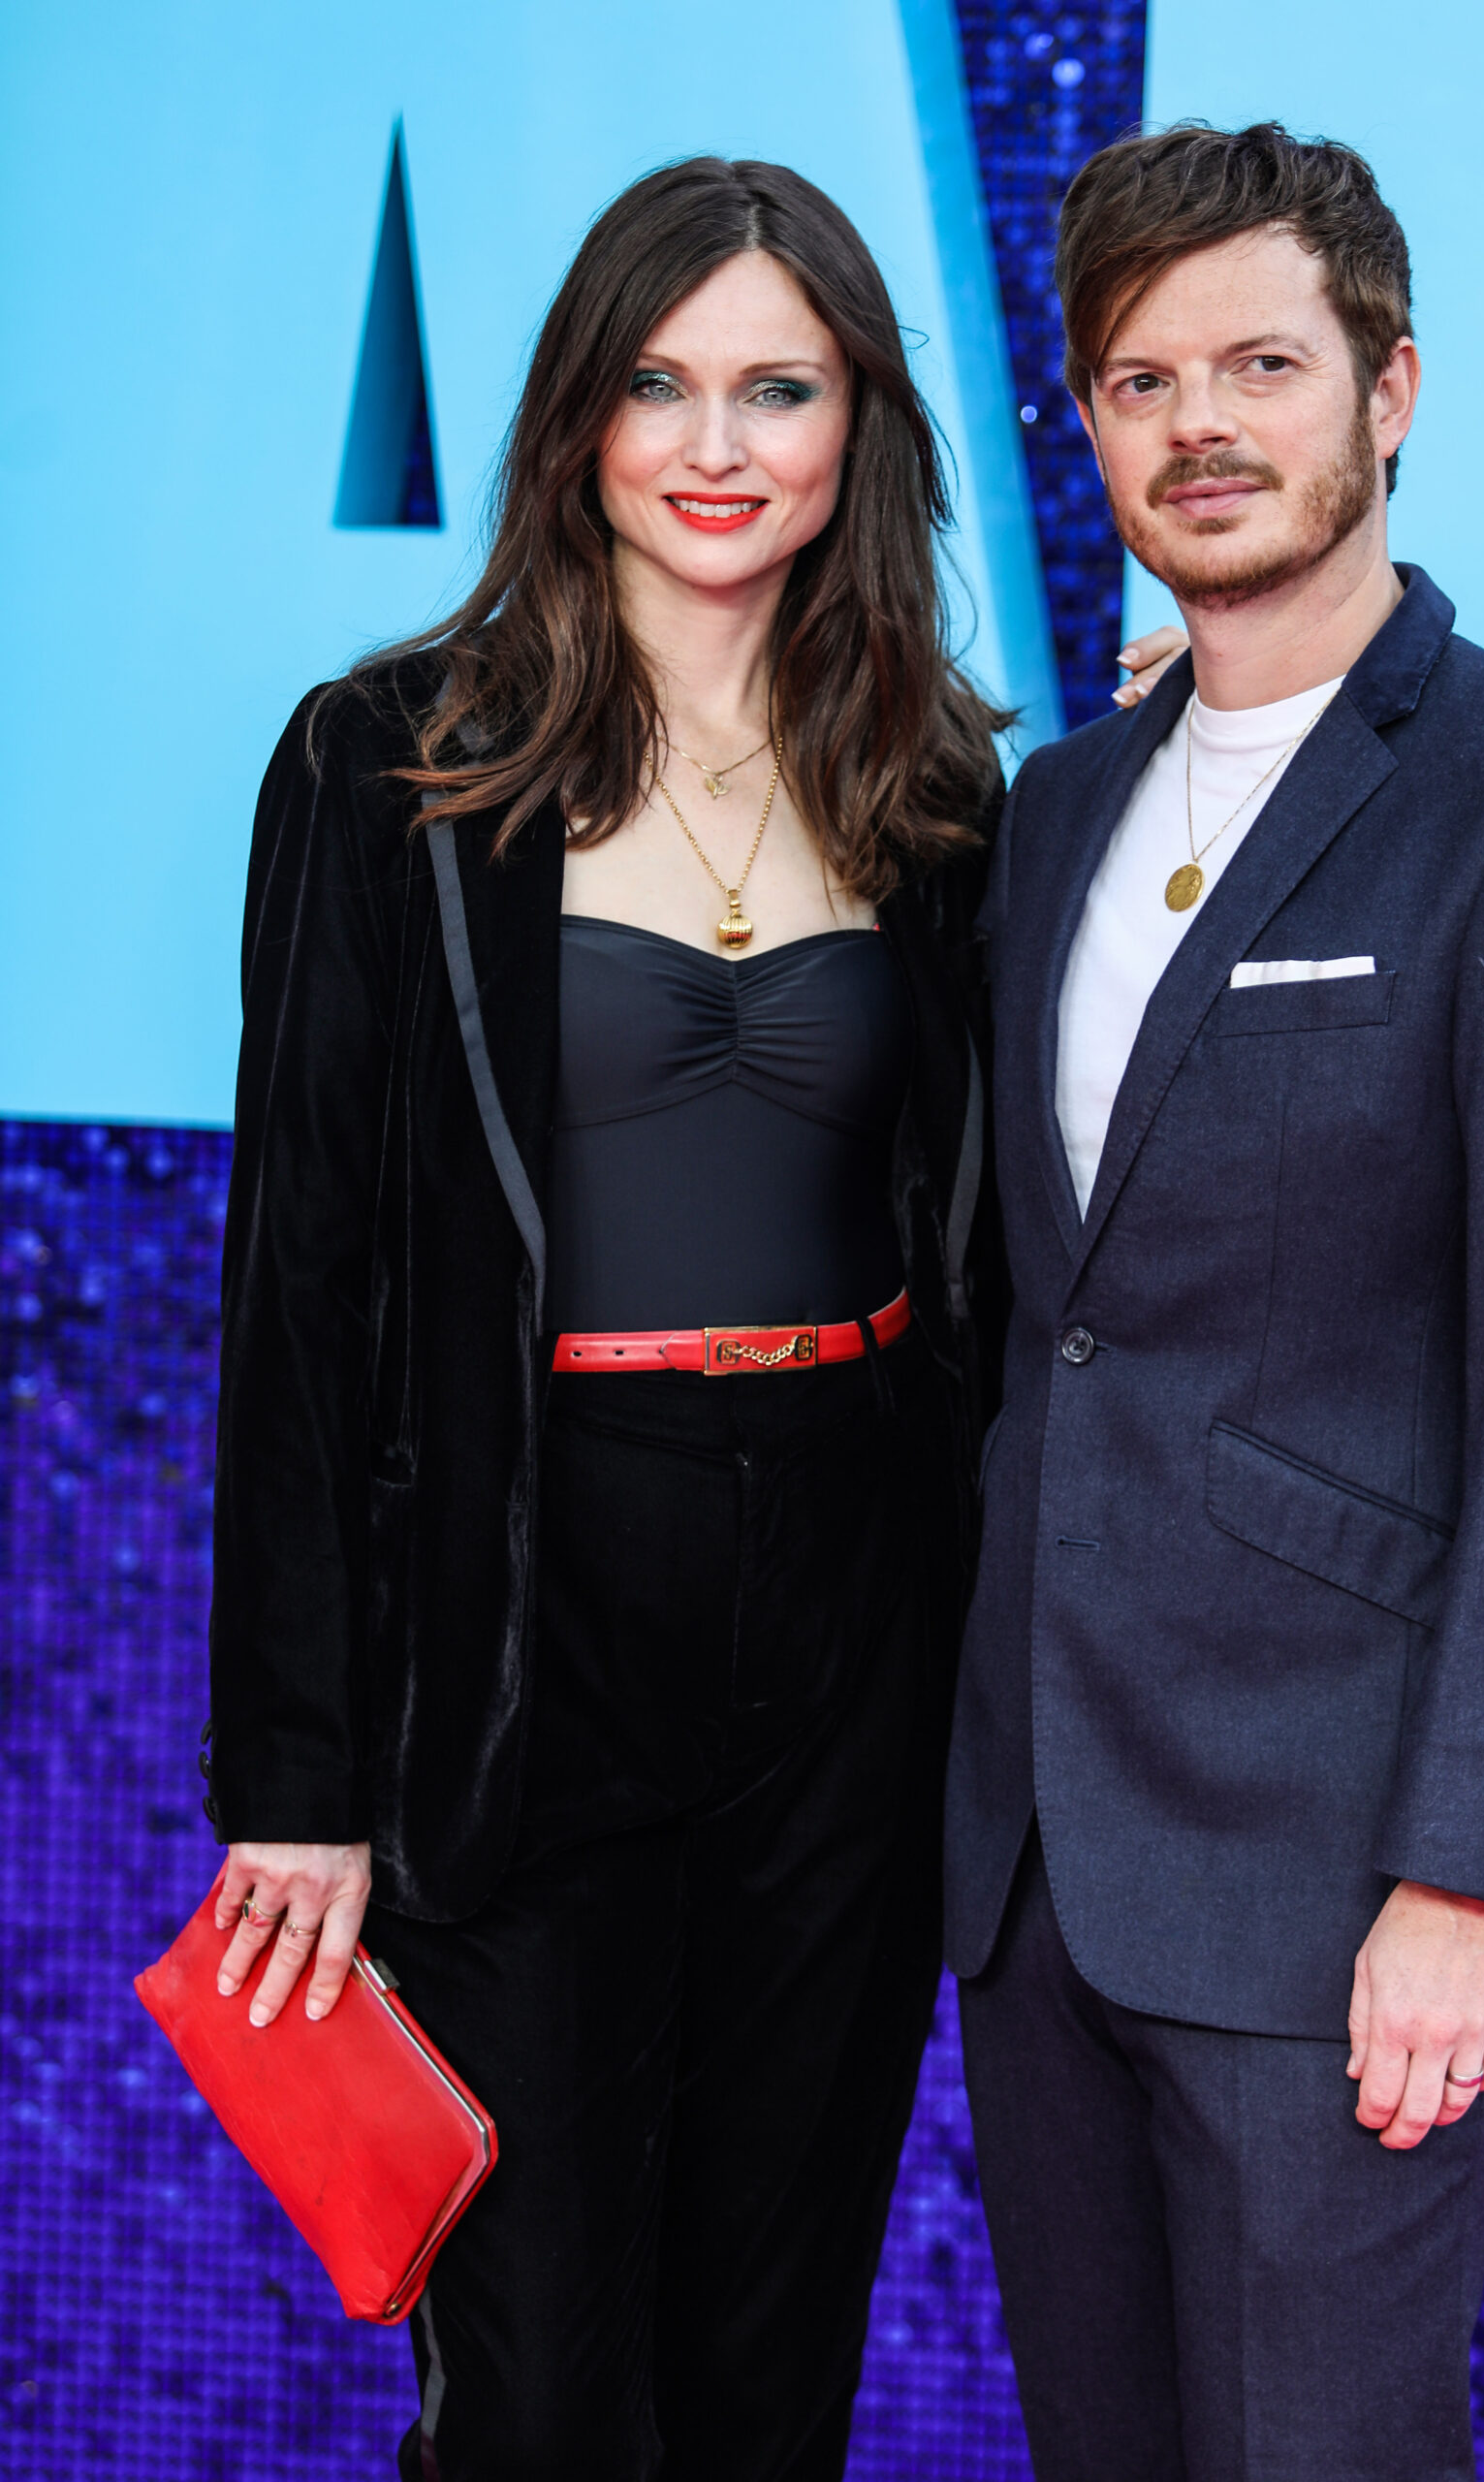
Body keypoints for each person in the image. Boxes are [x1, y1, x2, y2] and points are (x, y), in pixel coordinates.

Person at [202, 156, 1018, 2482]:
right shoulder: (383, 761)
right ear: (575, 414)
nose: (715, 443)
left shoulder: (941, 785)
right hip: (526, 1616)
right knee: (542, 2389)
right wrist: (293, 1779)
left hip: (849, 1621)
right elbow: (300, 1289)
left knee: (768, 2368)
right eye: (659, 384)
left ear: (860, 425)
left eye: (780, 386)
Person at [945, 120, 1484, 2481]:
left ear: (1388, 389)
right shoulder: (1055, 812)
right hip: (1038, 1870)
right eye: (1138, 378)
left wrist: (1479, 1867)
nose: (1197, 423)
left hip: (1339, 1881)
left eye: (1260, 364)